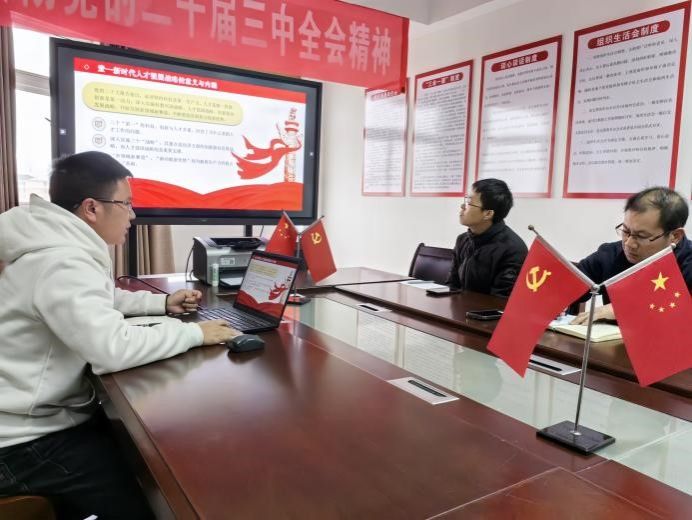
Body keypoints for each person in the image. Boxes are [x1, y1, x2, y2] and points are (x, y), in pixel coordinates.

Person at [0, 151, 238, 519]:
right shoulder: (61, 262)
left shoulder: (56, 247)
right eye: (125, 204)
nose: (133, 215)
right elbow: (112, 349)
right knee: (152, 497)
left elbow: (102, 298)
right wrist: (193, 334)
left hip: (35, 418)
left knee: (140, 447)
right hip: (22, 443)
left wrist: (162, 304)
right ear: (92, 208)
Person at [572, 187, 690, 325]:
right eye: (626, 231)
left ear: (675, 236)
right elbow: (566, 288)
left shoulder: (688, 264)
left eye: (641, 236)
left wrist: (624, 309)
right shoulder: (610, 254)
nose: (629, 244)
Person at [447, 178, 527, 297]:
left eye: (469, 202)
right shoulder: (462, 240)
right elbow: (452, 285)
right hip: (460, 306)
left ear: (488, 214)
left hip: (486, 309)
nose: (462, 206)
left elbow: (500, 300)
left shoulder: (513, 249)